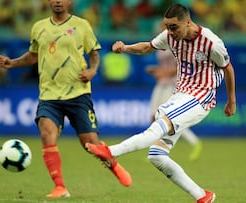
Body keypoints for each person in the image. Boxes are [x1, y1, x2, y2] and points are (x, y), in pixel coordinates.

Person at [86, 3, 236, 203]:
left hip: (201, 96)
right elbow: (148, 46)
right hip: (180, 94)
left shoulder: (210, 42)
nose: (169, 32)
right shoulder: (170, 36)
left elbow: (228, 69)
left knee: (158, 125)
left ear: (188, 22)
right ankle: (203, 196)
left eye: (174, 27)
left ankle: (110, 152)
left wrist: (231, 100)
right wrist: (126, 48)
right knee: (156, 156)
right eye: (167, 27)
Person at [0, 0, 131, 198]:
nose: (58, 1)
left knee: (90, 144)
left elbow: (94, 54)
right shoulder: (39, 27)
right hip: (49, 95)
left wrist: (92, 71)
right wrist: (13, 62)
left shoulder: (82, 25)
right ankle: (60, 187)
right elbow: (33, 56)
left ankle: (114, 165)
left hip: (78, 93)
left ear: (69, 1)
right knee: (46, 133)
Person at [146, 21, 203, 162]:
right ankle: (156, 150)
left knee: (167, 118)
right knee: (153, 117)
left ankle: (194, 142)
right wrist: (157, 71)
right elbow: (165, 66)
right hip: (161, 83)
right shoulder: (161, 44)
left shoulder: (176, 44)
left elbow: (180, 66)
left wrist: (164, 74)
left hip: (172, 84)